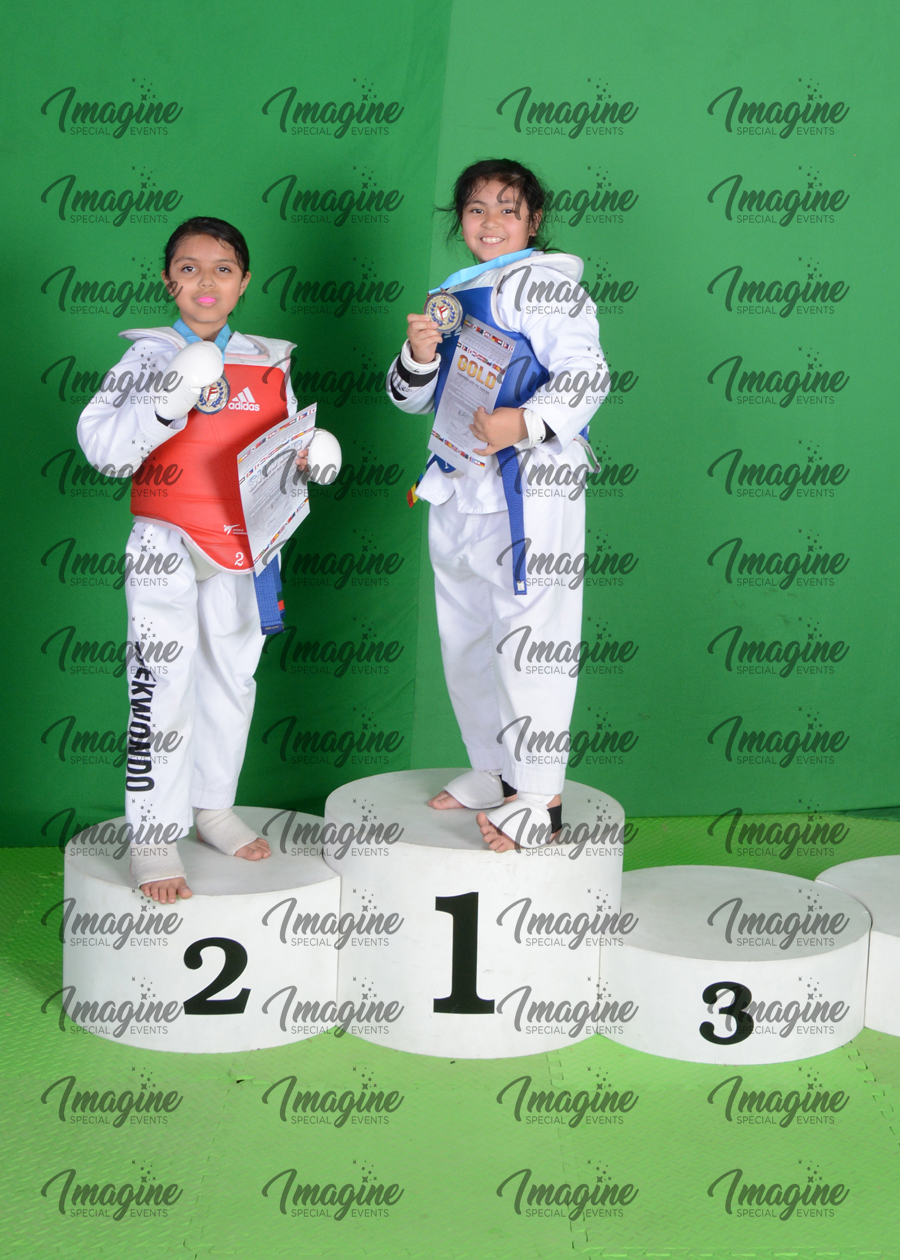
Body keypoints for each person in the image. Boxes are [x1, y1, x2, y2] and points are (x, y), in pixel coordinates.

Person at [78, 216, 339, 902]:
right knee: (160, 685)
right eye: (188, 268)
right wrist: (166, 404)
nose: (205, 282)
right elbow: (104, 450)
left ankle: (214, 807)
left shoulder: (268, 360)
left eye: (222, 269)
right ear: (169, 280)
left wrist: (309, 457)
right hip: (166, 538)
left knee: (232, 677)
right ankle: (153, 834)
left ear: (243, 282)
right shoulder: (147, 358)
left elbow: (278, 446)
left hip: (244, 543)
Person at [386, 160, 609, 852]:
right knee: (468, 637)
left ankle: (539, 798)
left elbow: (588, 373)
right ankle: (495, 768)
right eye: (476, 209)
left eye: (508, 209)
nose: (490, 222)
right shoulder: (456, 294)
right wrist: (419, 356)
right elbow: (412, 398)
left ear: (533, 221)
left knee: (530, 636)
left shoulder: (545, 285)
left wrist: (529, 422)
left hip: (529, 485)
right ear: (460, 219)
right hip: (458, 479)